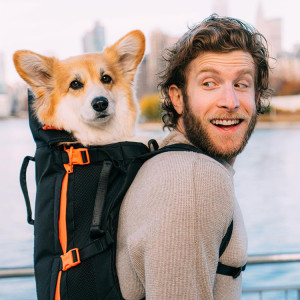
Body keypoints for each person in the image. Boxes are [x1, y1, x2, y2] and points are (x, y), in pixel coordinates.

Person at [116, 14, 271, 299]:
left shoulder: (167, 162)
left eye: (241, 84)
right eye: (209, 83)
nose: (230, 101)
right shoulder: (194, 178)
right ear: (177, 98)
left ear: (257, 97)